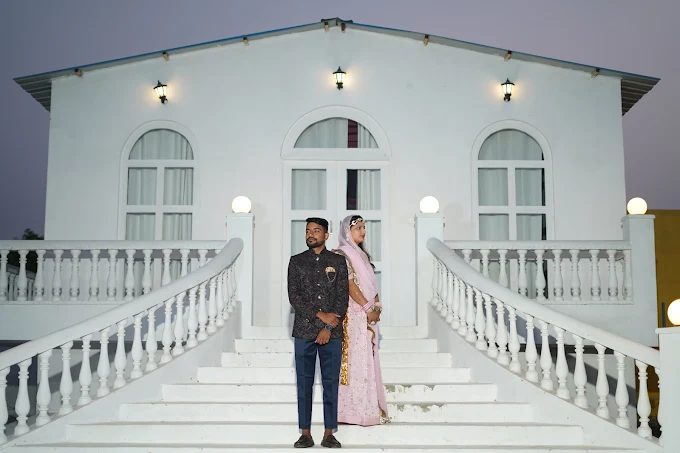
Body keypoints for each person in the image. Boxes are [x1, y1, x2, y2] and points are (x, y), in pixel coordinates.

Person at [288, 217, 349, 449]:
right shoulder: (296, 262)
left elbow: (342, 298)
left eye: (316, 230)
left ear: (326, 235)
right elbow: (294, 297)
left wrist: (328, 327)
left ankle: (328, 433)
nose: (310, 234)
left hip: (331, 334)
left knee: (330, 384)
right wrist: (320, 316)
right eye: (307, 231)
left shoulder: (338, 261)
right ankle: (305, 434)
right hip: (304, 331)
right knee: (304, 384)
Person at [334, 215, 389, 426]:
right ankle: (350, 411)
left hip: (367, 313)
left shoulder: (363, 256)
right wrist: (368, 308)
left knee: (367, 361)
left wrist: (377, 307)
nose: (363, 231)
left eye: (364, 227)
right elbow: (349, 284)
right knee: (354, 362)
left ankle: (368, 409)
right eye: (358, 227)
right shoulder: (341, 254)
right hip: (353, 315)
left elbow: (372, 286)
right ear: (347, 232)